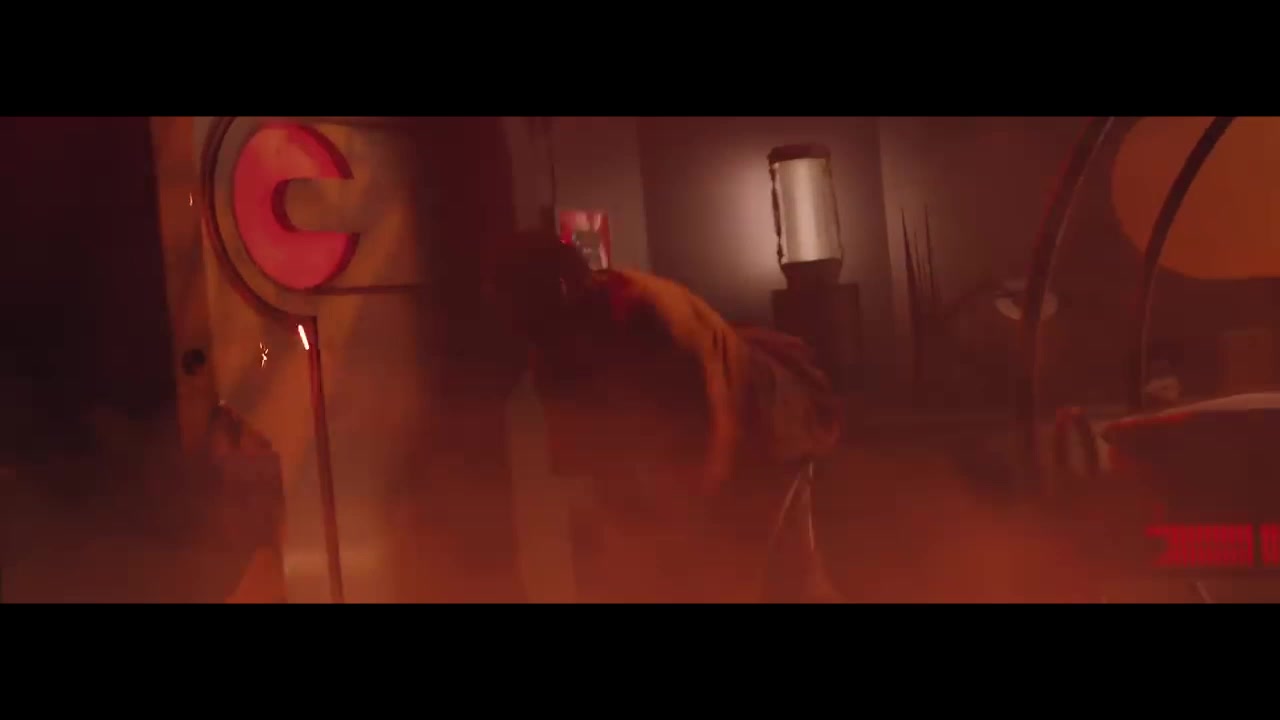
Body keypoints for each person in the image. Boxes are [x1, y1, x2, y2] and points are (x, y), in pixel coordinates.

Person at [491, 230, 844, 603]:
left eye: (514, 300)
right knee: (782, 579)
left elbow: (717, 428)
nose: (508, 316)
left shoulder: (647, 310)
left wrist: (680, 524)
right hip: (729, 434)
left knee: (734, 579)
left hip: (766, 420)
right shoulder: (551, 353)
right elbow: (586, 459)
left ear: (559, 289)